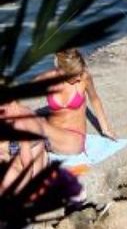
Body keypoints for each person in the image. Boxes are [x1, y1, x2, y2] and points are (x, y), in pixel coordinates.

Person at [0, 49, 115, 191]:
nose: (79, 77)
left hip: (73, 140)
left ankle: (6, 150)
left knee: (34, 124)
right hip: (51, 136)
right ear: (60, 71)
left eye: (80, 73)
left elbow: (95, 99)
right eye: (74, 75)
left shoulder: (84, 77)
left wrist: (105, 128)